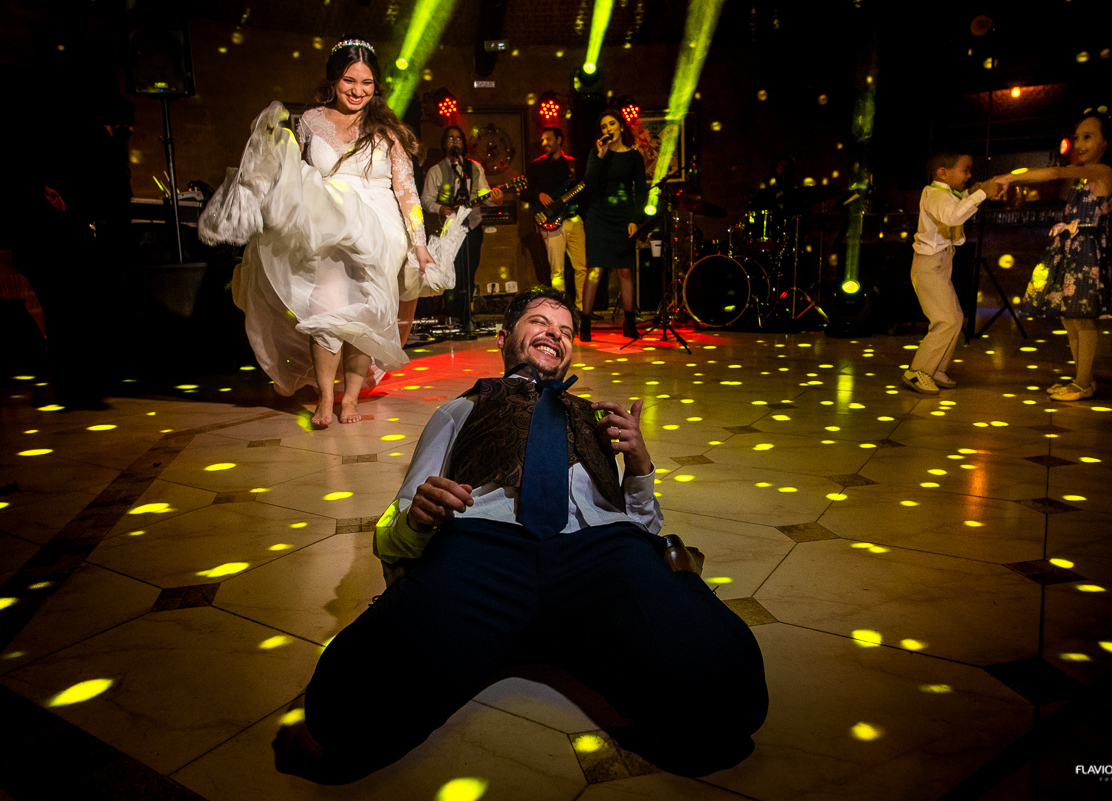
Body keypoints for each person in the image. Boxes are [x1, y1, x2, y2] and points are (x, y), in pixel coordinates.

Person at [273, 287, 768, 784]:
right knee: (341, 706)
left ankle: (598, 617)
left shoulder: (593, 417)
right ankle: (545, 634)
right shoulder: (461, 409)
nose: (556, 333)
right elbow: (395, 526)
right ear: (504, 337)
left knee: (731, 690)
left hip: (600, 554)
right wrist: (417, 516)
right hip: (484, 548)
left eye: (567, 330)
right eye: (540, 322)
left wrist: (639, 466)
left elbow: (643, 527)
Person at [205, 38, 434, 426]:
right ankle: (326, 398)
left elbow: (406, 190)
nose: (358, 90)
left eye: (366, 83)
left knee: (363, 314)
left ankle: (351, 400)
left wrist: (420, 243)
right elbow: (295, 173)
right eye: (349, 80)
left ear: (376, 85)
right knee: (327, 309)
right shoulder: (310, 121)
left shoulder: (388, 128)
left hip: (380, 229)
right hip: (329, 222)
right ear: (334, 79)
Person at [995, 112, 1112, 401]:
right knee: (1070, 316)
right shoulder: (1086, 174)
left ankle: (1082, 382)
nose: (1079, 143)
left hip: (1089, 249)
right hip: (1072, 247)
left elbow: (1055, 173)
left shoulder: (1102, 171)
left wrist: (1008, 177)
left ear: (1106, 141)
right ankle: (1082, 379)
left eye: (1088, 137)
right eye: (1077, 137)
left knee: (1083, 317)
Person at [901, 150, 999, 395]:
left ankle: (935, 369)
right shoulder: (933, 193)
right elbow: (953, 215)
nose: (969, 174)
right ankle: (918, 371)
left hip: (939, 264)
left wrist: (970, 193)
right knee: (945, 320)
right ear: (943, 172)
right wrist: (980, 194)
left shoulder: (945, 194)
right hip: (929, 266)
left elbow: (954, 206)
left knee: (954, 318)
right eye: (965, 169)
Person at [422, 125, 503, 332]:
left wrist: (495, 199)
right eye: (450, 138)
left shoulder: (474, 168)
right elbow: (426, 200)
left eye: (458, 139)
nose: (454, 142)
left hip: (472, 226)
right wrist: (442, 209)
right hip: (449, 232)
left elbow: (484, 194)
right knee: (452, 274)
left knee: (469, 273)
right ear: (444, 143)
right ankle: (453, 316)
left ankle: (467, 316)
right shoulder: (436, 171)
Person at [581, 111, 648, 341]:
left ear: (620, 127)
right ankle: (586, 323)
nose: (608, 128)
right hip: (599, 215)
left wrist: (634, 219)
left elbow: (641, 191)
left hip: (623, 216)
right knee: (595, 269)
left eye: (612, 124)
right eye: (603, 126)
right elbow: (589, 183)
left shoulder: (633, 157)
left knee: (625, 270)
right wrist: (600, 156)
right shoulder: (596, 153)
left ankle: (629, 323)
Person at [523, 126, 587, 309]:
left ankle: (582, 310)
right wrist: (539, 195)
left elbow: (585, 191)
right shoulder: (537, 166)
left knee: (581, 268)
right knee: (556, 271)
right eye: (542, 140)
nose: (544, 143)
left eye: (548, 139)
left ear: (559, 140)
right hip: (550, 221)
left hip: (574, 219)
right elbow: (524, 193)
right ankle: (562, 311)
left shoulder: (574, 164)